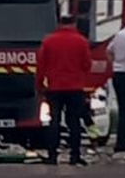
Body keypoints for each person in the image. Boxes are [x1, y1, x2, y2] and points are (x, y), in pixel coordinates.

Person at [36, 15, 93, 166]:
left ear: (59, 23)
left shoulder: (49, 41)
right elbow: (87, 64)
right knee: (74, 122)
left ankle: (52, 156)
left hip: (54, 87)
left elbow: (41, 65)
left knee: (53, 121)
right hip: (75, 88)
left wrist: (40, 85)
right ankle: (75, 156)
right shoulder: (81, 41)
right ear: (74, 24)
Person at [108, 22, 125, 153]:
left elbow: (109, 51)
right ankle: (124, 142)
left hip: (118, 74)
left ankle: (122, 141)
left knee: (124, 109)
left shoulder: (120, 34)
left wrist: (116, 64)